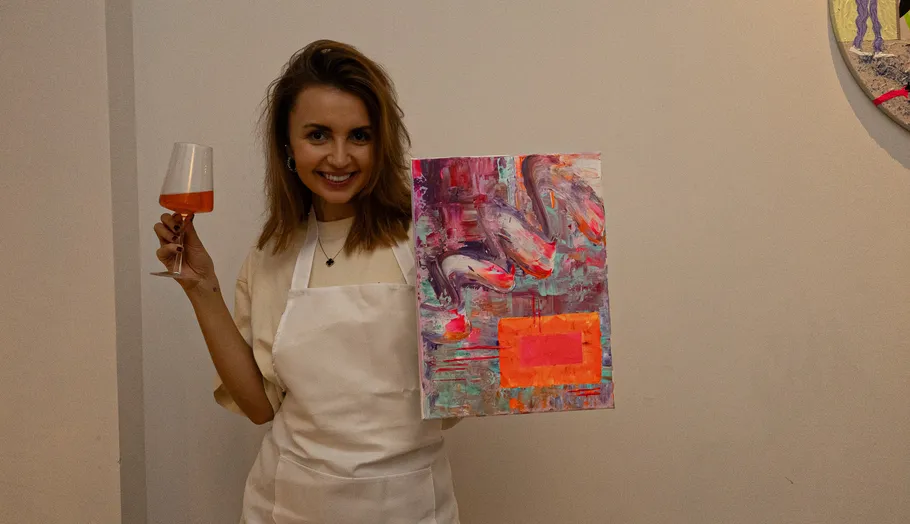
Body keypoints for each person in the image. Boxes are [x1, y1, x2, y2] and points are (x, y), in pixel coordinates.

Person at [153, 39, 460, 523]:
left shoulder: (436, 244)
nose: (339, 157)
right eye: (318, 135)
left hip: (411, 507)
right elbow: (258, 406)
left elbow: (469, 387)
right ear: (287, 146)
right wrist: (201, 287)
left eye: (359, 135)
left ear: (382, 143)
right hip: (292, 506)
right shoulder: (272, 255)